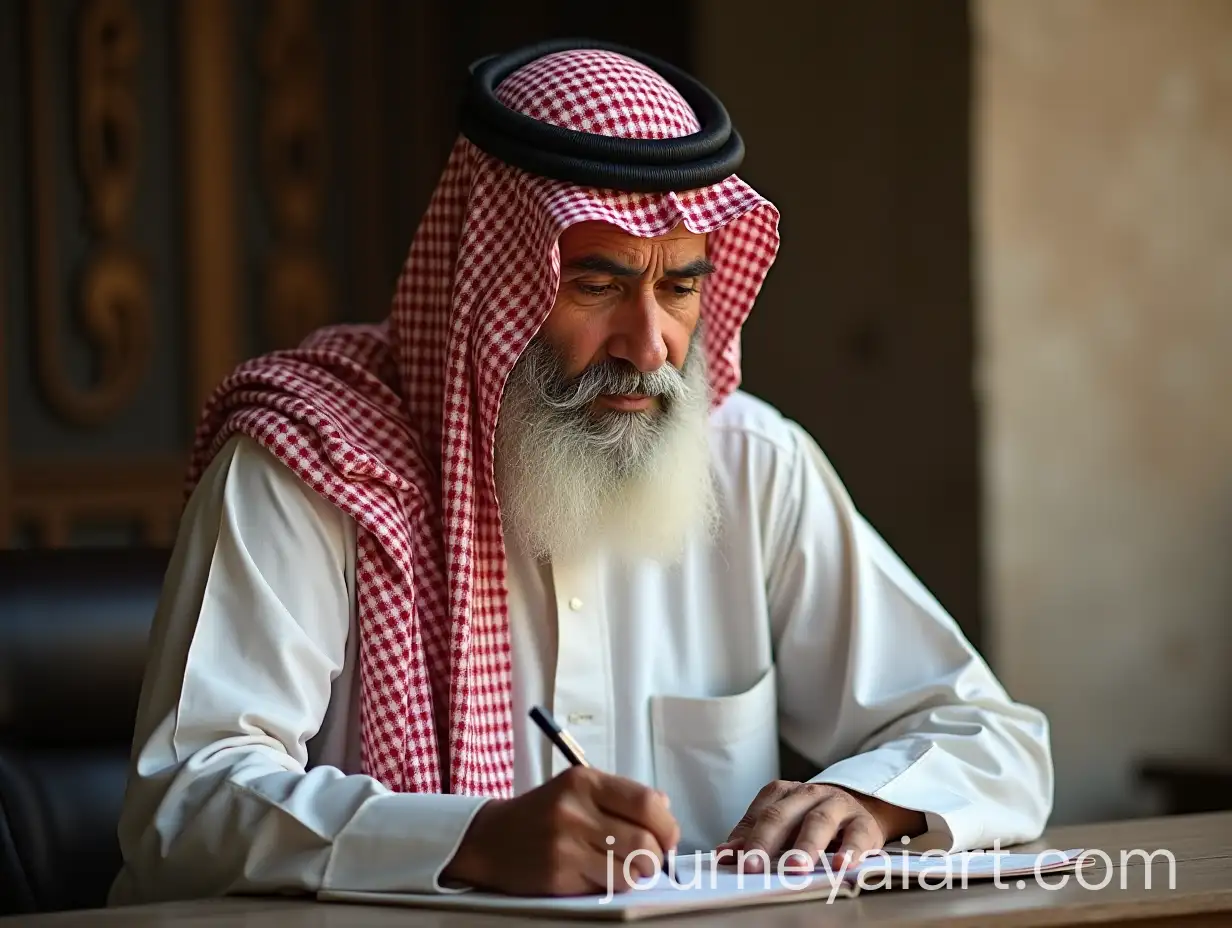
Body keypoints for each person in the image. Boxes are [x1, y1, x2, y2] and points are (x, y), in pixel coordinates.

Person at [109, 40, 1052, 905]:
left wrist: (872, 801)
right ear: (495, 285)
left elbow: (993, 737)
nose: (651, 347)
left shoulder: (753, 464)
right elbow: (184, 801)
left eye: (680, 286)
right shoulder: (312, 462)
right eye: (597, 284)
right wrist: (468, 840)